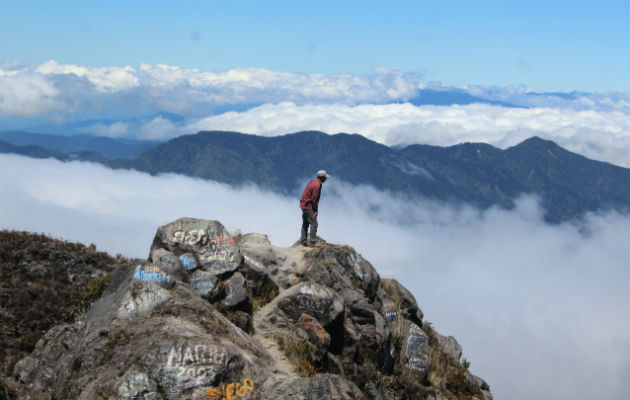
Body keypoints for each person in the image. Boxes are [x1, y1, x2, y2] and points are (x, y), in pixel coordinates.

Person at [299, 170, 330, 247]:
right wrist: (315, 211)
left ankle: (303, 241)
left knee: (305, 224)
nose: (326, 179)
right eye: (325, 177)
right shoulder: (318, 185)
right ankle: (312, 242)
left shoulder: (313, 181)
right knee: (314, 224)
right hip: (309, 206)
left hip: (304, 204)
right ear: (322, 178)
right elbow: (314, 199)